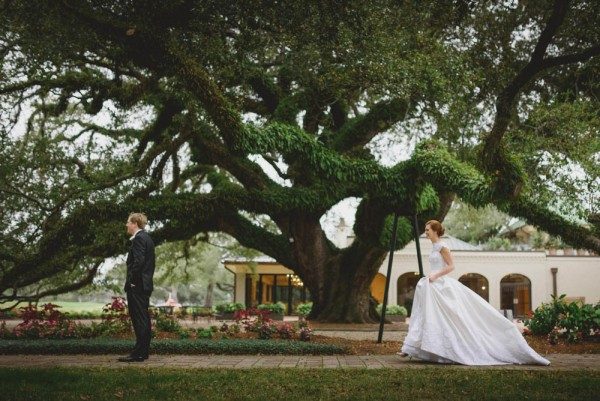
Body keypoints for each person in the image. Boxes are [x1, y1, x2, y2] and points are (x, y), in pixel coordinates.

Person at [399, 220, 549, 366]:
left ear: (435, 231)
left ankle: (449, 348)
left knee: (448, 317)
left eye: (427, 230)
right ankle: (413, 347)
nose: (425, 233)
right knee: (426, 315)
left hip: (440, 283)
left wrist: (435, 275)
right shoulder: (434, 246)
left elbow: (451, 266)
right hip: (432, 285)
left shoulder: (442, 246)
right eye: (425, 230)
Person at [118, 212, 155, 363]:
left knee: (139, 319)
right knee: (143, 318)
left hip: (137, 285)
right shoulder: (147, 238)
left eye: (128, 222)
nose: (126, 225)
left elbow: (138, 262)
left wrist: (132, 281)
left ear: (134, 223)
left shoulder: (139, 238)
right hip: (144, 285)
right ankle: (142, 352)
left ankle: (138, 354)